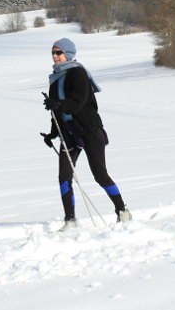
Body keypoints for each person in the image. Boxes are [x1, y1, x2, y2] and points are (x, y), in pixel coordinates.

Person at [42, 37, 131, 231]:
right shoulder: (54, 78)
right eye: (53, 52)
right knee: (64, 176)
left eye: (58, 52)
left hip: (89, 130)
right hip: (69, 133)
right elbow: (56, 113)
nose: (55, 56)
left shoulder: (77, 73)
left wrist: (58, 104)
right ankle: (70, 220)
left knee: (100, 175)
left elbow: (78, 101)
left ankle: (122, 210)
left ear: (69, 54)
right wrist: (52, 133)